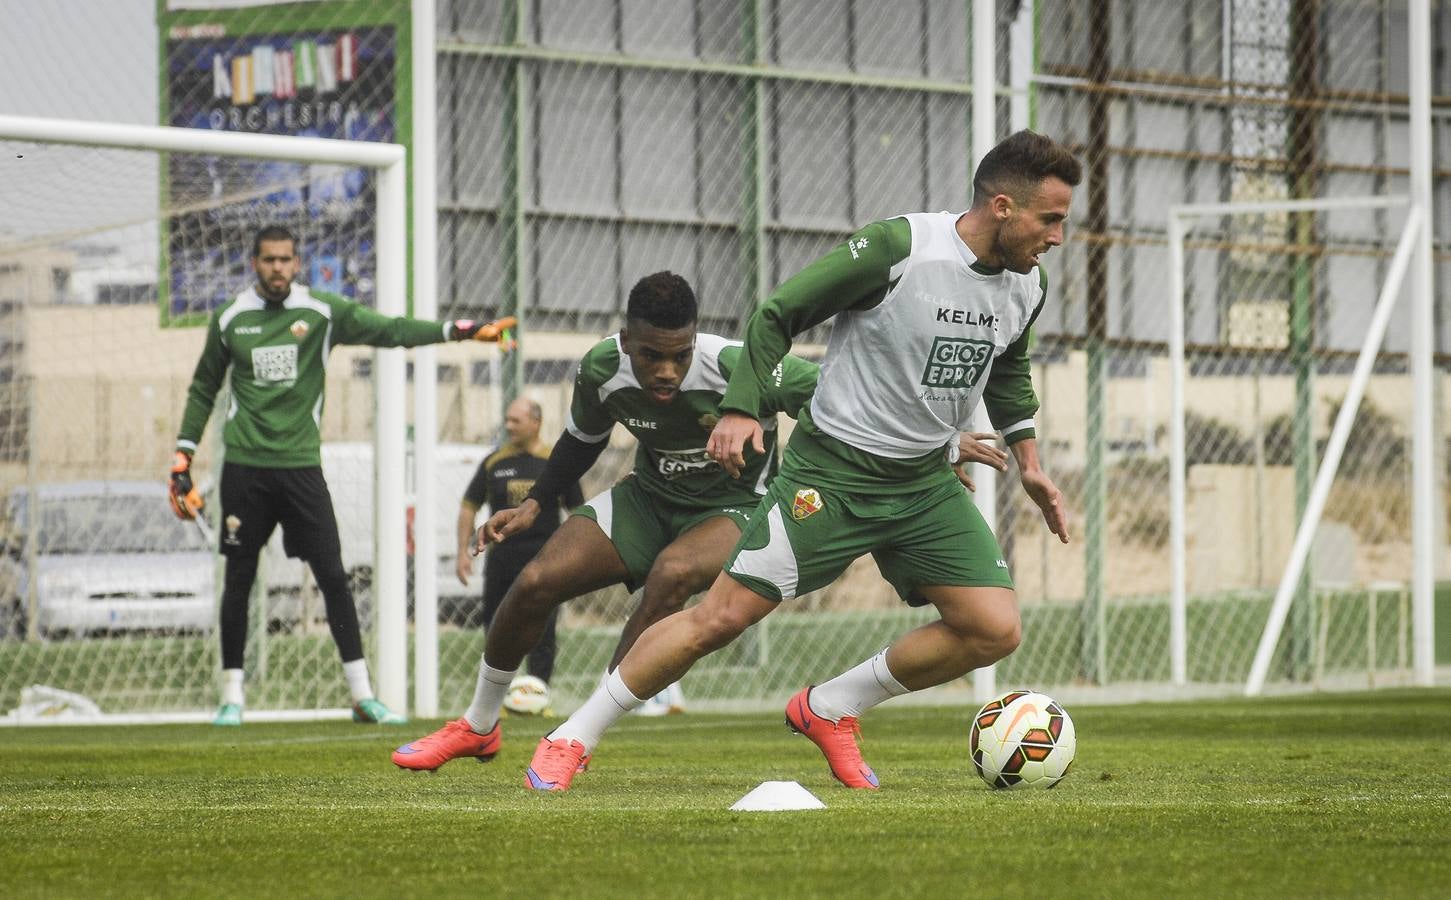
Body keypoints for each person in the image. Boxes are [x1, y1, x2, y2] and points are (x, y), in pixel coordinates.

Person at [524, 129, 1080, 792]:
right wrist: (739, 405)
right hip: (833, 476)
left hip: (924, 484)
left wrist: (1030, 459)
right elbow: (776, 314)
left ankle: (830, 707)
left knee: (992, 627)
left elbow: (1010, 367)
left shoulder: (1026, 286)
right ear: (1001, 207)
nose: (1056, 237)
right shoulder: (899, 249)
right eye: (1050, 220)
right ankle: (570, 736)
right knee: (717, 619)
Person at [391, 271, 818, 771]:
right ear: (625, 341)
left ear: (695, 340)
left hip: (736, 504)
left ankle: (576, 735)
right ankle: (477, 727)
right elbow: (583, 437)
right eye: (650, 356)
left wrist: (763, 427)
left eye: (680, 356)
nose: (666, 371)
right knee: (535, 580)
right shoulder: (600, 366)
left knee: (672, 575)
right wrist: (537, 501)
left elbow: (830, 395)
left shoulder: (739, 365)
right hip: (649, 495)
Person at [169, 224, 515, 727]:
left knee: (333, 576)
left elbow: (392, 331)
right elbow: (203, 388)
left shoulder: (322, 312)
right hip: (245, 468)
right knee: (239, 580)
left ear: (297, 262)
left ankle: (362, 694)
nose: (278, 269)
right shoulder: (229, 319)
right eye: (269, 260)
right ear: (254, 263)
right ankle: (233, 697)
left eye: (287, 259)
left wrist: (461, 331)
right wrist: (183, 455)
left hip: (302, 470)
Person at [455, 396, 583, 702]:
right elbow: (468, 506)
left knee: (543, 631)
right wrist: (462, 551)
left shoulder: (556, 461)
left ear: (535, 422)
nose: (508, 426)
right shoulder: (494, 462)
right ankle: (494, 699)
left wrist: (575, 556)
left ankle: (538, 697)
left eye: (516, 420)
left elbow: (577, 510)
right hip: (501, 562)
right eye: (507, 420)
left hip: (544, 560)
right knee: (497, 630)